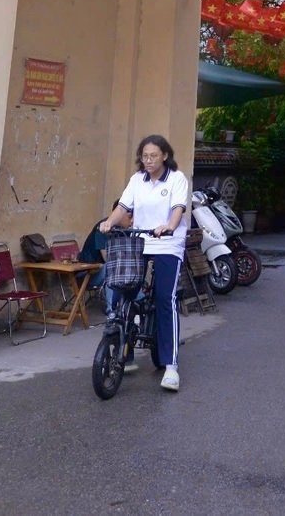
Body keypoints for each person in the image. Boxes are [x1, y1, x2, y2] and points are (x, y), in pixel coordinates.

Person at [97, 134, 189, 391]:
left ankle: (171, 367)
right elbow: (124, 207)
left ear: (165, 156)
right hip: (139, 241)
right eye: (145, 156)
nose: (148, 161)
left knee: (164, 300)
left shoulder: (177, 179)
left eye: (153, 156)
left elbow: (178, 210)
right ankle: (123, 351)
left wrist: (169, 226)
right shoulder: (137, 180)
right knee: (122, 290)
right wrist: (109, 222)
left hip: (167, 243)